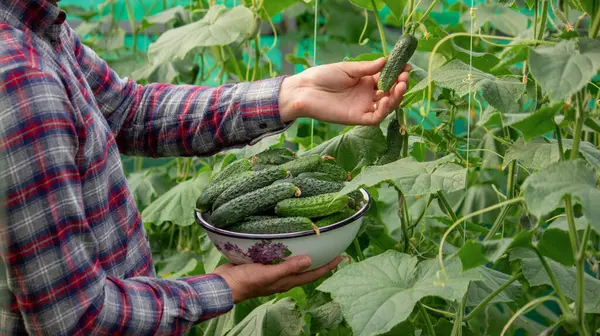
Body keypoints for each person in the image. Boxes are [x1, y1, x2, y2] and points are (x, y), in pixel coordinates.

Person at [0, 0, 411, 334]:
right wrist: (227, 286)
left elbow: (126, 110)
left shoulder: (37, 24)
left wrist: (293, 93)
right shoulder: (19, 79)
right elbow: (77, 321)